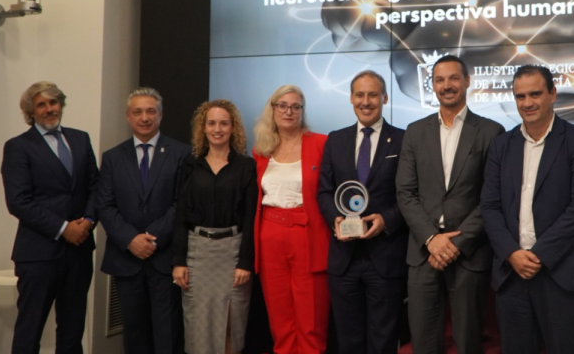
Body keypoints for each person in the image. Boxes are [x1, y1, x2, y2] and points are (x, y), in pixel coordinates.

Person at [481, 65, 574, 354]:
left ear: (552, 94)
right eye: (520, 96)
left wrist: (537, 255)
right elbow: (489, 206)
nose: (527, 103)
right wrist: (512, 253)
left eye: (535, 94)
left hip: (562, 276)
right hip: (512, 277)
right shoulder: (501, 145)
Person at [395, 55, 505, 354]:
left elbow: (491, 197)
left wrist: (456, 242)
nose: (447, 86)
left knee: (469, 341)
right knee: (424, 341)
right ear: (432, 85)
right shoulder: (415, 131)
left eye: (454, 78)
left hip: (468, 253)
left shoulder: (491, 132)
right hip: (423, 253)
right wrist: (432, 239)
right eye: (440, 80)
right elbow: (405, 192)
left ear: (467, 81)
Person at [0, 81, 99, 354]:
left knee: (72, 331)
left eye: (53, 103)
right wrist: (63, 228)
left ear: (61, 105)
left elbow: (95, 187)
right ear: (31, 112)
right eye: (41, 105)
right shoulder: (18, 147)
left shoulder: (80, 139)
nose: (49, 109)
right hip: (39, 253)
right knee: (29, 332)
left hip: (79, 251)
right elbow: (18, 202)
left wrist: (88, 221)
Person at [317, 71, 407, 354]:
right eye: (360, 95)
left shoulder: (404, 140)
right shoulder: (336, 140)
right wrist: (336, 219)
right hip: (344, 259)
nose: (366, 102)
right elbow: (324, 191)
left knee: (383, 341)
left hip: (386, 257)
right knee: (349, 341)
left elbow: (410, 195)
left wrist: (387, 220)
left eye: (372, 95)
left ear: (385, 98)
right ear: (351, 99)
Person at [97, 87, 187, 354]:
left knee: (167, 331)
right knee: (134, 333)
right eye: (138, 112)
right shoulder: (113, 157)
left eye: (150, 111)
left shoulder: (181, 153)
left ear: (160, 115)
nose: (144, 117)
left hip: (164, 257)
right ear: (128, 116)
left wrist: (151, 238)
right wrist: (131, 240)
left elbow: (181, 204)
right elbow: (105, 205)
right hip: (127, 259)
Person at [172, 99, 257, 354]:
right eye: (211, 123)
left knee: (231, 325)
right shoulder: (190, 165)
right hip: (197, 255)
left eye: (223, 123)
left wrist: (245, 262)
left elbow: (251, 217)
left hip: (232, 255)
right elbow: (181, 215)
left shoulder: (246, 166)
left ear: (233, 128)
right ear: (203, 128)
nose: (217, 128)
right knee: (197, 327)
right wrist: (179, 260)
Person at [252, 85, 330, 354]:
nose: (289, 111)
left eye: (296, 106)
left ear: (302, 111)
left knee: (311, 322)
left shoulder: (320, 143)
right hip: (270, 235)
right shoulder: (261, 151)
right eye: (282, 105)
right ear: (272, 110)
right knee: (280, 321)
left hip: (307, 235)